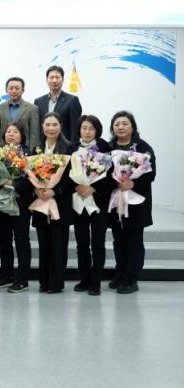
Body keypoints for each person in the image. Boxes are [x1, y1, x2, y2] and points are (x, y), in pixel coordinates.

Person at [108, 111, 156, 294]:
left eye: (125, 123)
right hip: (116, 200)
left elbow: (151, 174)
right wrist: (116, 182)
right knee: (118, 240)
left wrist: (132, 183)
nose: (120, 127)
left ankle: (131, 278)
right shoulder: (109, 147)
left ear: (133, 126)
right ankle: (120, 273)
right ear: (112, 128)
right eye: (117, 124)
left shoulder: (143, 148)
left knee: (134, 240)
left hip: (136, 202)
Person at [33, 112, 77, 294]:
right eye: (47, 124)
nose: (51, 128)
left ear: (60, 126)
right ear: (42, 126)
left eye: (54, 124)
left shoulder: (69, 148)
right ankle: (43, 282)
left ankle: (56, 283)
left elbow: (72, 178)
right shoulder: (36, 149)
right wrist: (36, 189)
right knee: (43, 244)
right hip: (41, 201)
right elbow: (29, 174)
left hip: (60, 203)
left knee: (58, 245)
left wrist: (55, 190)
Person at [0, 123, 35, 293]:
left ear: (22, 135)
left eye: (15, 132)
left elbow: (33, 180)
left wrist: (14, 184)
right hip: (2, 201)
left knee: (22, 241)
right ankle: (6, 275)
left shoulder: (29, 154)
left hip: (21, 202)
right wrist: (1, 182)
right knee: (4, 240)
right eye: (8, 131)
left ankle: (23, 280)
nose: (11, 134)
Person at [72, 115, 113, 296]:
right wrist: (77, 186)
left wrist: (93, 188)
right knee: (81, 243)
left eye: (91, 128)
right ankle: (84, 279)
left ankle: (95, 281)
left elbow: (111, 177)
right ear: (79, 130)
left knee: (97, 242)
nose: (87, 132)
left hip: (98, 202)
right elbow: (66, 174)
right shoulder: (73, 148)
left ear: (97, 130)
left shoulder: (105, 148)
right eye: (84, 128)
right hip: (79, 200)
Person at [34, 65, 83, 144]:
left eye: (57, 77)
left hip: (65, 146)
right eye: (51, 77)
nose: (54, 80)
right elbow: (36, 128)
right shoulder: (38, 102)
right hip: (44, 146)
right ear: (47, 80)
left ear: (63, 80)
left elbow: (75, 128)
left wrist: (73, 147)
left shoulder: (72, 100)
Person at [0, 76, 40, 150]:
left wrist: (32, 152)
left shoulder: (32, 109)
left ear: (23, 90)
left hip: (25, 151)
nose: (14, 91)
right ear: (6, 90)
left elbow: (34, 134)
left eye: (17, 88)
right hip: (3, 151)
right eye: (11, 88)